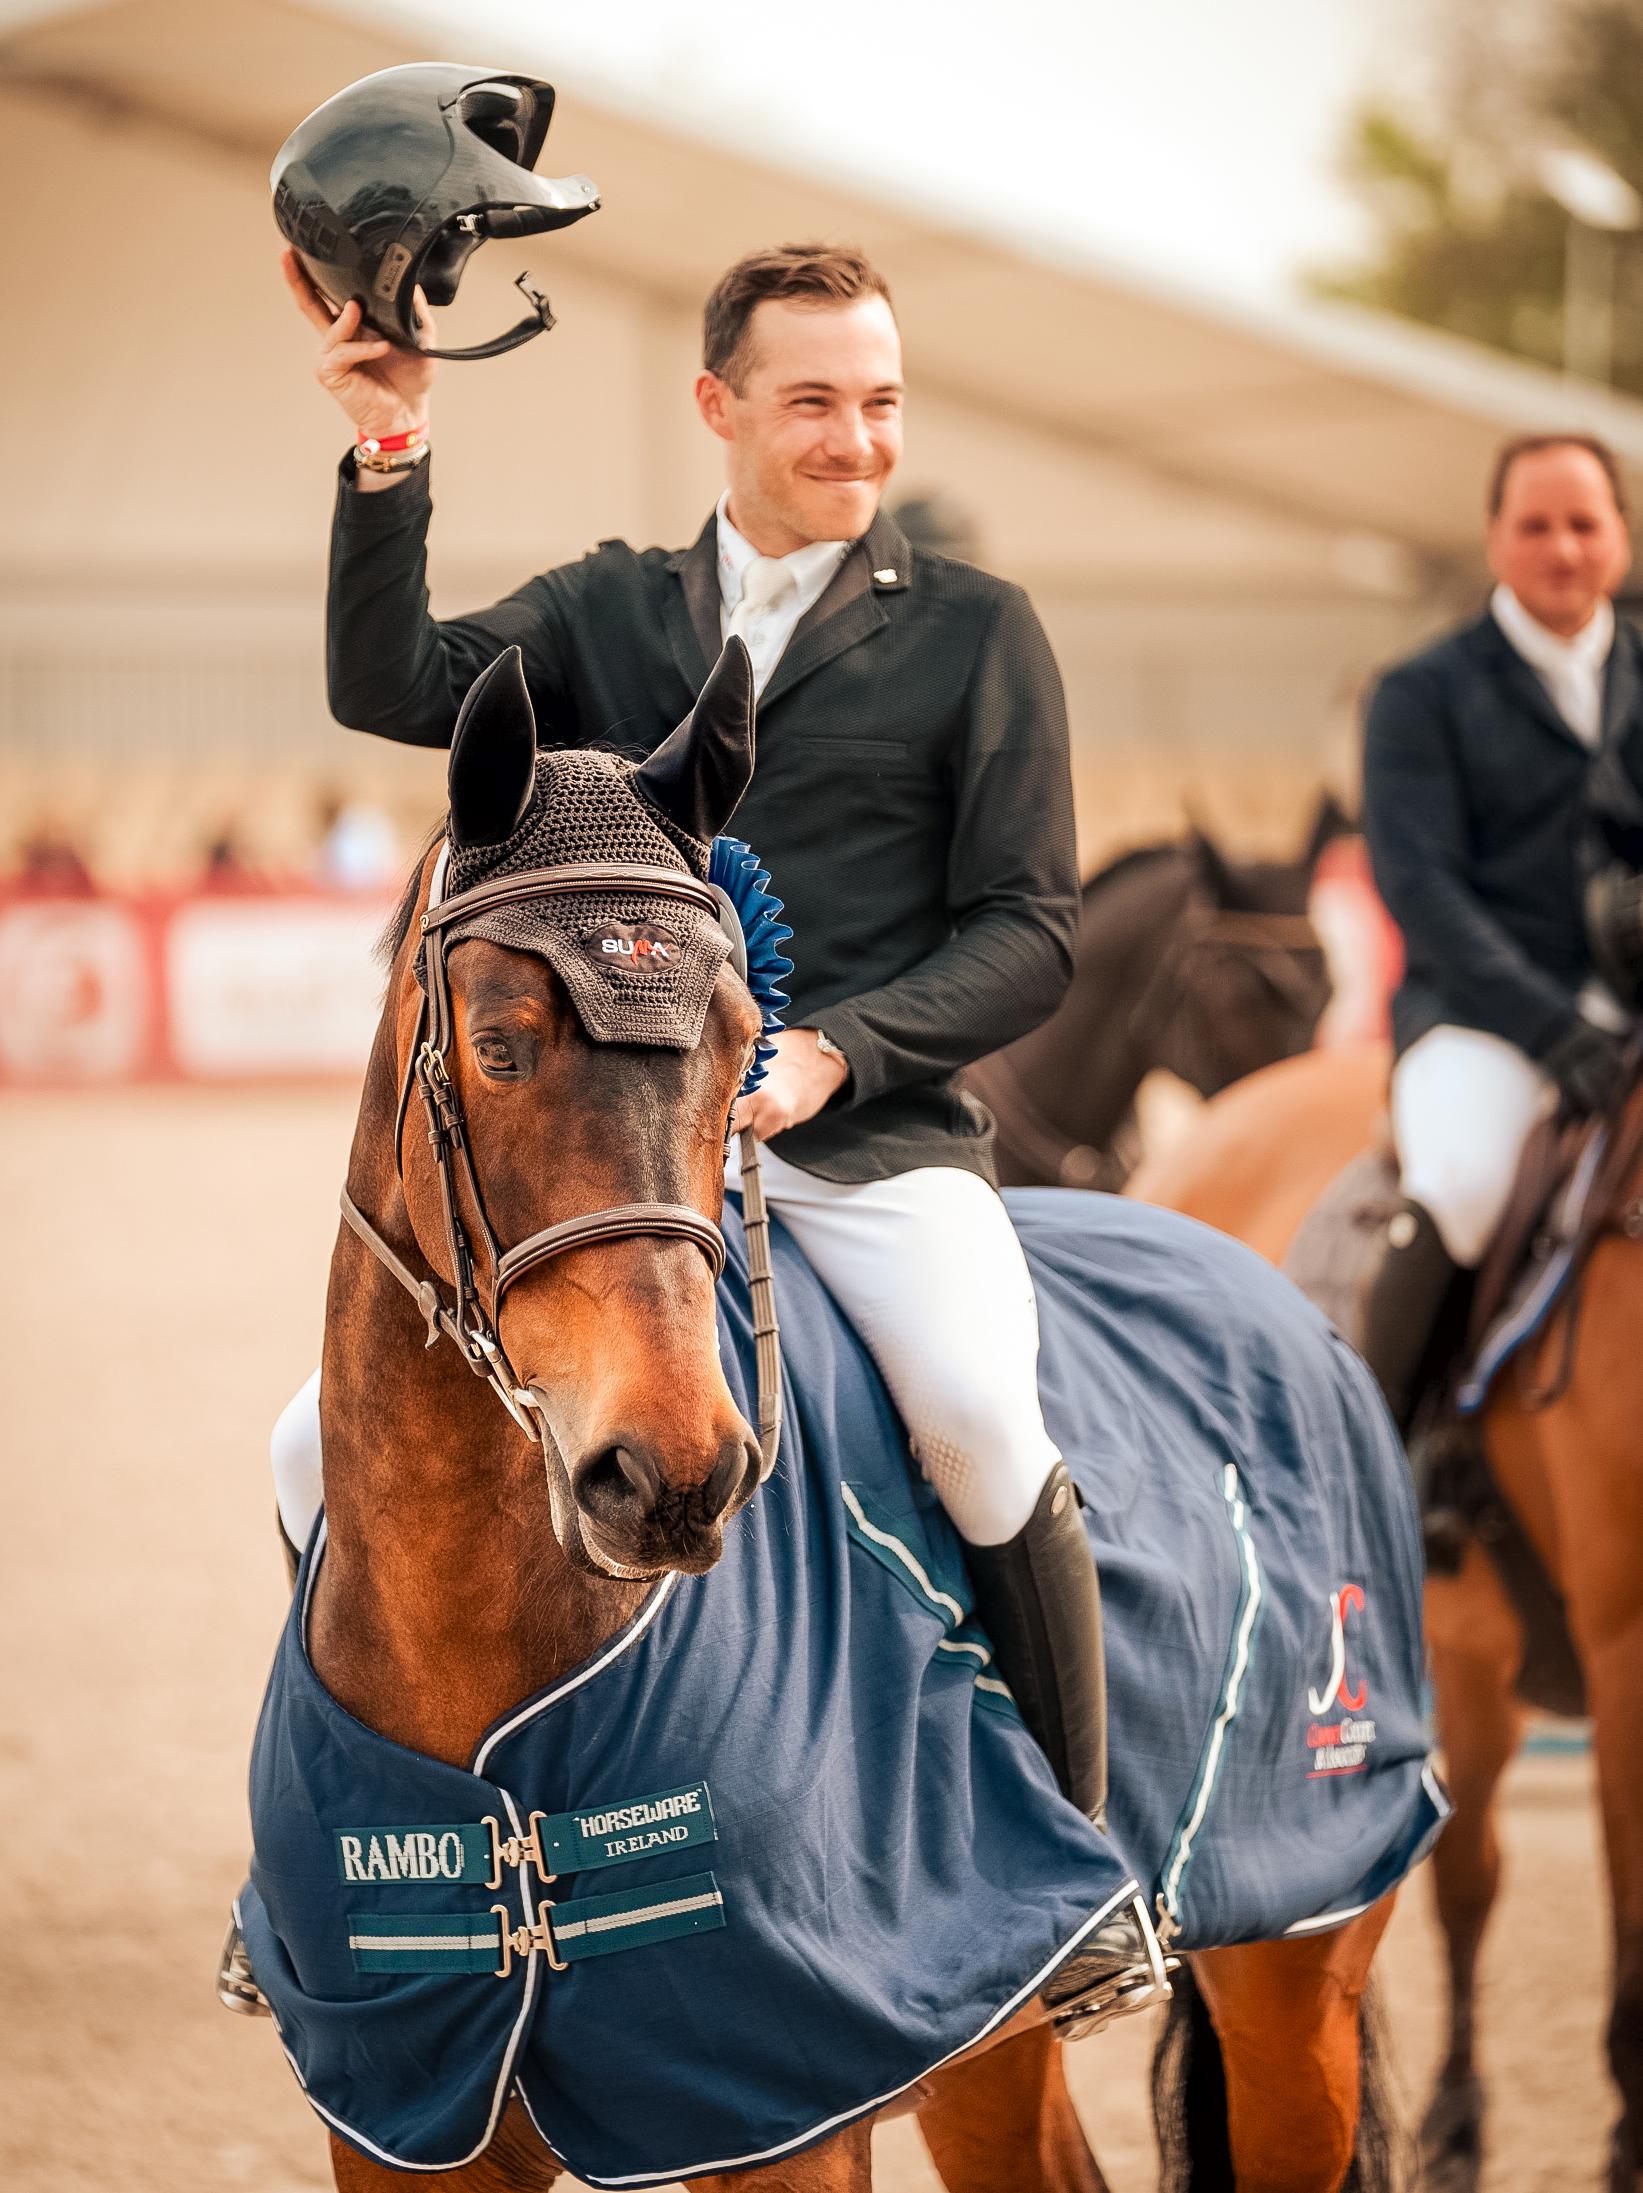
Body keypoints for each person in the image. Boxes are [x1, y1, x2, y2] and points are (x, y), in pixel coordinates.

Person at [276, 237, 1151, 2017]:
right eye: (816, 399)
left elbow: (1031, 928)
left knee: (983, 1414)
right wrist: (389, 449)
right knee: (310, 1451)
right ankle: (348, 1858)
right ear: (720, 407)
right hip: (624, 1139)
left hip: (868, 1137)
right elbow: (393, 685)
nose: (855, 436)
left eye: (882, 401)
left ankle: (1073, 1885)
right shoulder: (611, 609)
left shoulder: (978, 629)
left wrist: (840, 1052)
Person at [1360, 433, 1643, 1432]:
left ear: (1620, 534)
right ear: (1495, 540)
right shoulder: (1422, 694)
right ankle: (1383, 1448)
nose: (1562, 547)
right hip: (1484, 1018)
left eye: (1583, 523)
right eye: (1536, 525)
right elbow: (1419, 888)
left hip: (1632, 1014)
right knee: (1468, 1183)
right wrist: (1550, 1027)